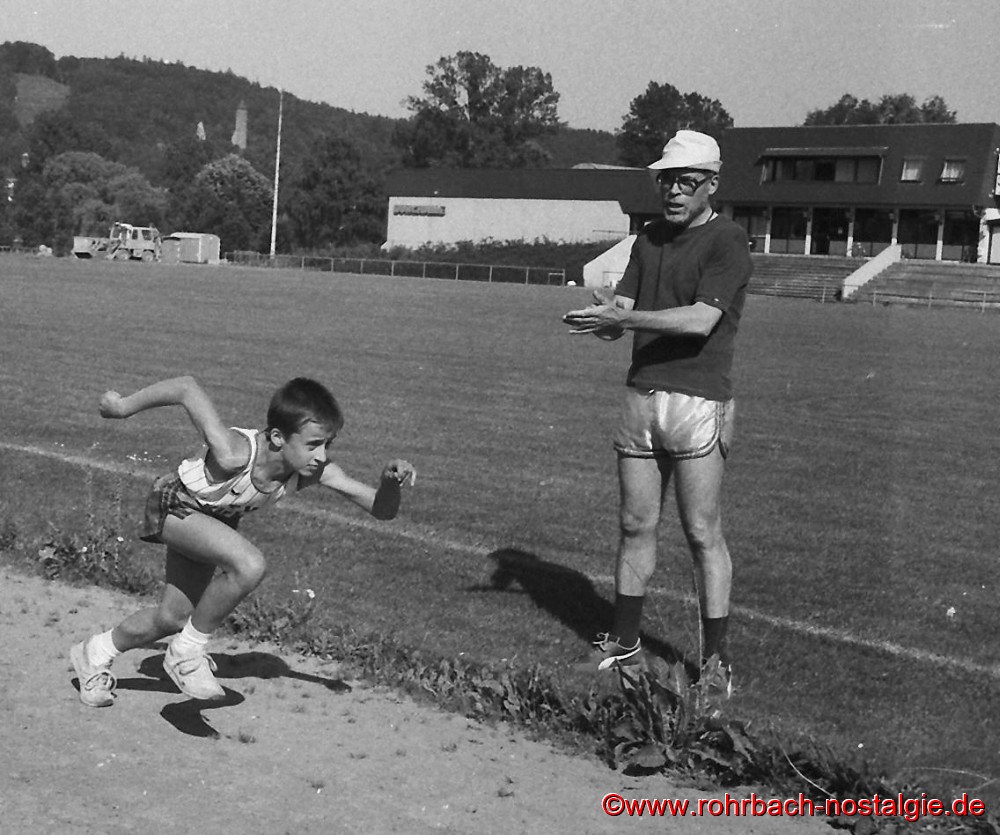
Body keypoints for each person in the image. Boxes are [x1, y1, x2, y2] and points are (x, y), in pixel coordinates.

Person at [69, 376, 415, 707]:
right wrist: (122, 407)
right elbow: (186, 387)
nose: (322, 455)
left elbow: (381, 510)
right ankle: (186, 654)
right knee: (249, 564)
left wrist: (389, 484)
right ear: (278, 437)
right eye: (312, 444)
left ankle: (93, 653)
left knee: (172, 618)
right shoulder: (235, 453)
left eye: (327, 444)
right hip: (175, 506)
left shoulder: (315, 470)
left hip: (211, 523)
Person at [563, 130, 752, 688]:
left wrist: (627, 319)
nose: (672, 191)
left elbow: (699, 320)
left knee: (701, 532)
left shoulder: (728, 241)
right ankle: (623, 646)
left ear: (711, 184)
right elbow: (624, 311)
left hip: (698, 402)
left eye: (685, 181)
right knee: (634, 524)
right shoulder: (647, 240)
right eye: (665, 179)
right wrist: (602, 317)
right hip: (642, 396)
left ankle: (715, 665)